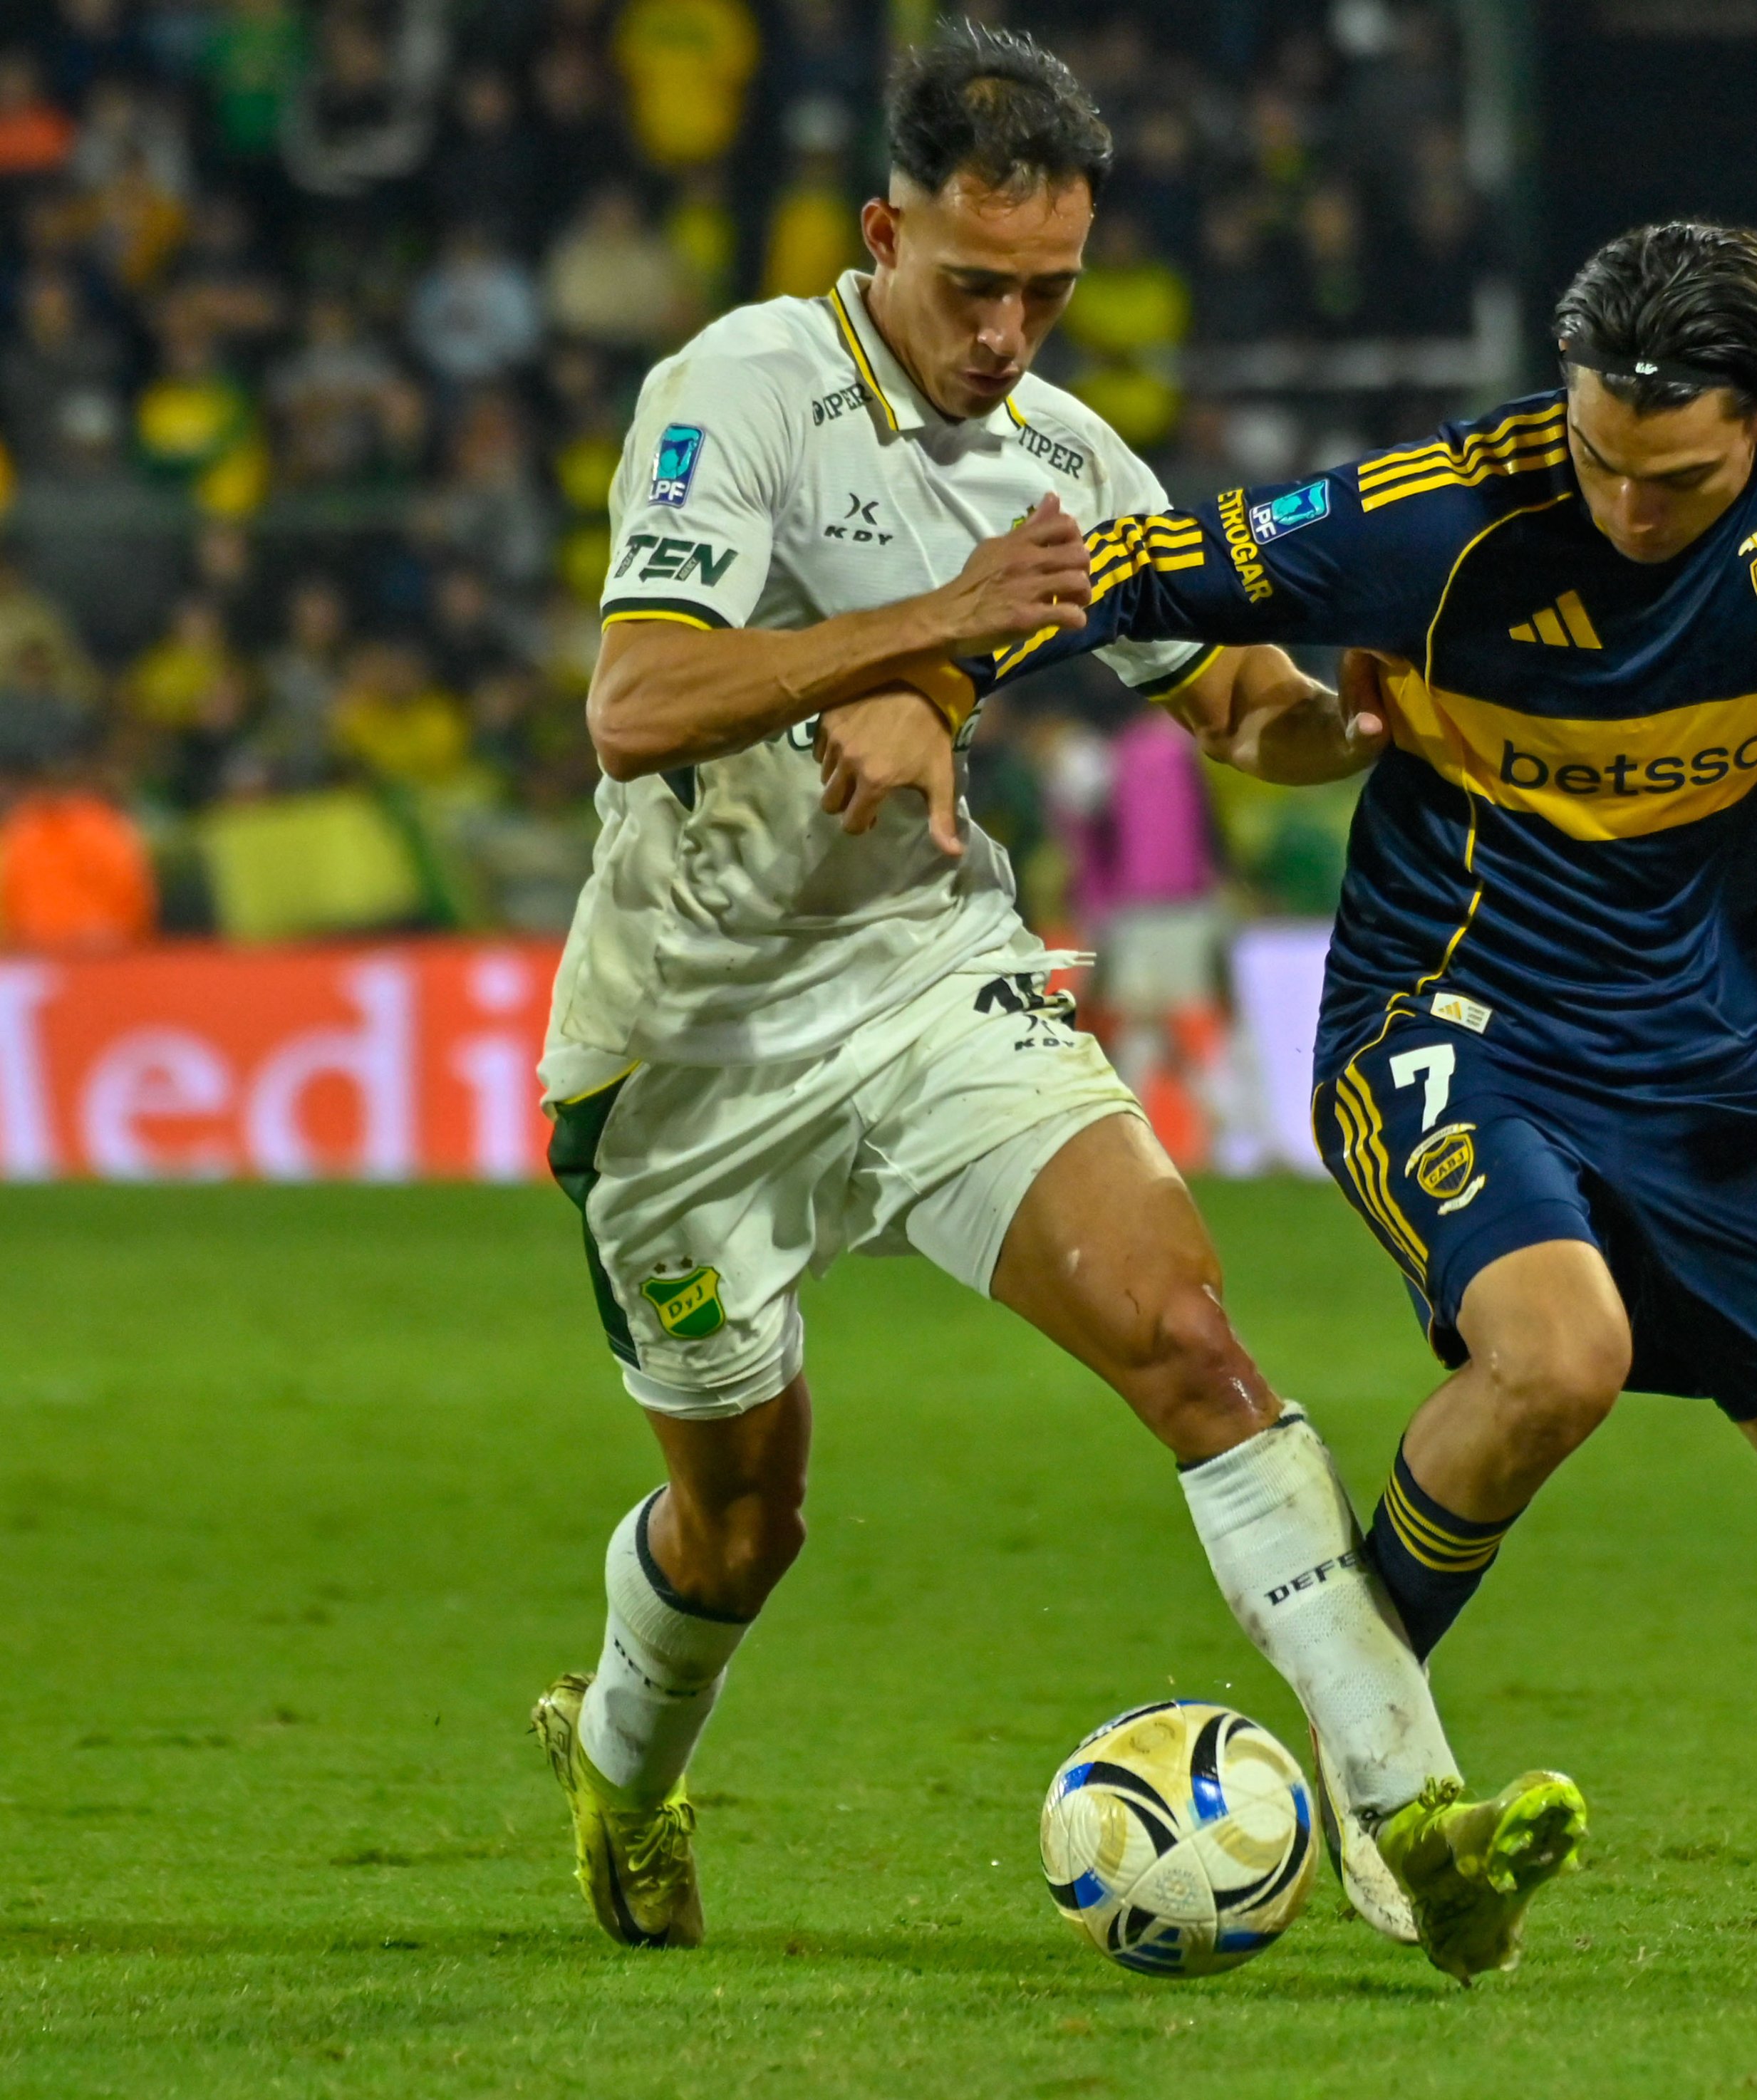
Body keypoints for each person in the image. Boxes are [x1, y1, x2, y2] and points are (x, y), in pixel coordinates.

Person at [985, 221, 1757, 1970]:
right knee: (1559, 1355)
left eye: (1674, 476)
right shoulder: (1444, 511)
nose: (1624, 502)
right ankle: (1388, 1781)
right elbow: (1125, 573)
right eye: (1599, 453)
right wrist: (916, 690)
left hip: (1696, 1064)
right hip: (1446, 1011)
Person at [529, 23, 1567, 1985]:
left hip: (932, 980)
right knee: (743, 1526)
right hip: (687, 1050)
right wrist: (938, 631)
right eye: (974, 284)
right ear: (883, 236)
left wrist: (1357, 719)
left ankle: (1414, 1812)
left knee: (1190, 1338)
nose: (1009, 334)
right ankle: (623, 1766)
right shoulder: (737, 388)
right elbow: (637, 701)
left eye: (1051, 292)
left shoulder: (1072, 461)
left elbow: (1236, 707)